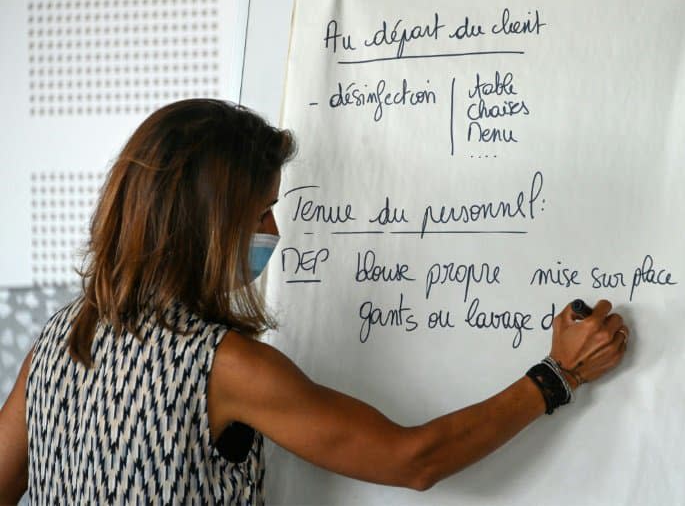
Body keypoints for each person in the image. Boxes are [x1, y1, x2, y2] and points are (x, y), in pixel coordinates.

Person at [0, 98, 629, 504]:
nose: (272, 232)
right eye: (260, 211)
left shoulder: (58, 340)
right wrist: (558, 374)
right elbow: (416, 460)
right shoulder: (223, 367)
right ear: (202, 225)